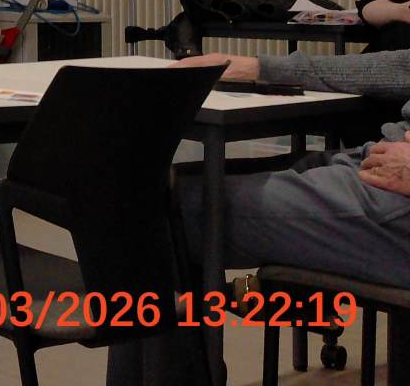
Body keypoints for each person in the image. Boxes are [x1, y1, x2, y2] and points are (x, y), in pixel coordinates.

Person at [106, 47, 410, 382]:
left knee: (159, 213)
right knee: (153, 190)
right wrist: (260, 68)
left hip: (396, 196)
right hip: (381, 157)